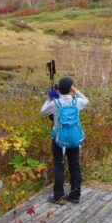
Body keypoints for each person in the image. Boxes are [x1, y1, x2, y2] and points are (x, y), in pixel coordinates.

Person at [40, 76, 88, 204]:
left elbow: (43, 112)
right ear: (70, 89)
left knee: (59, 167)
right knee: (75, 166)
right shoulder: (76, 102)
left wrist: (49, 98)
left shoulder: (55, 104)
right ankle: (75, 195)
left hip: (58, 139)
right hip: (74, 139)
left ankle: (59, 196)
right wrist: (75, 90)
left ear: (59, 89)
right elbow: (86, 100)